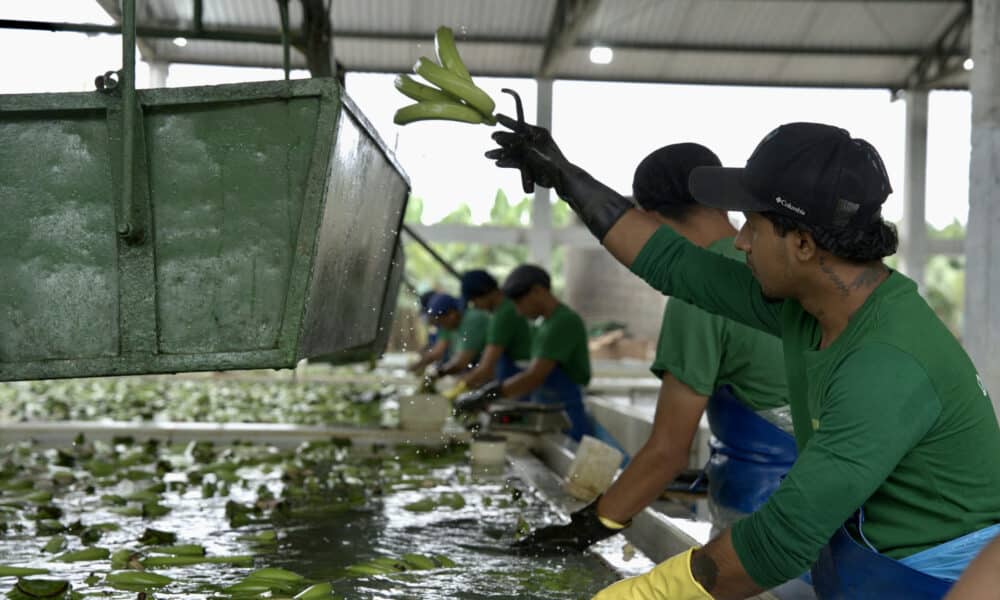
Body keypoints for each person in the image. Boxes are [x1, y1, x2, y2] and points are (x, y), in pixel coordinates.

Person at [487, 119, 1000, 599]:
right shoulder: (810, 304)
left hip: (936, 584)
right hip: (864, 565)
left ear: (801, 243)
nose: (739, 240)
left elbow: (780, 541)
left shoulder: (887, 363)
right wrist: (566, 177)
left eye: (753, 226)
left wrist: (636, 592)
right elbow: (675, 265)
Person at [514, 143, 794, 556]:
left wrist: (587, 528)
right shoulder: (780, 273)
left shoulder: (699, 296)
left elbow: (667, 452)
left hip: (763, 525)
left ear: (648, 220)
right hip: (836, 518)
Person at [454, 264, 596, 441]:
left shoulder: (564, 322)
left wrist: (488, 394)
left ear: (537, 291)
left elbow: (534, 376)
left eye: (519, 303)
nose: (518, 312)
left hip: (567, 418)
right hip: (545, 412)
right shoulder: (543, 325)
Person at [440, 269, 534, 401]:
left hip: (519, 379)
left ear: (484, 293)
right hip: (514, 376)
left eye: (474, 301)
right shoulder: (504, 309)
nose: (476, 307)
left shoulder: (503, 315)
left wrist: (457, 391)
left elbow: (485, 368)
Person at [407, 292, 489, 377]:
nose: (441, 327)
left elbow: (461, 362)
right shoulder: (452, 324)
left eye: (441, 322)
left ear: (452, 314)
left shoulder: (473, 320)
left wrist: (437, 374)